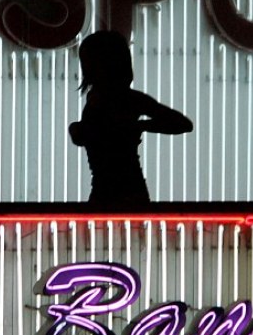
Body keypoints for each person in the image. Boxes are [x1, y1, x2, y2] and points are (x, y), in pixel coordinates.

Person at [69, 31, 193, 207]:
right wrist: (137, 126)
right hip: (125, 190)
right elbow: (182, 123)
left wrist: (136, 126)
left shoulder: (111, 99)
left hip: (112, 190)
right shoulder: (122, 98)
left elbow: (182, 124)